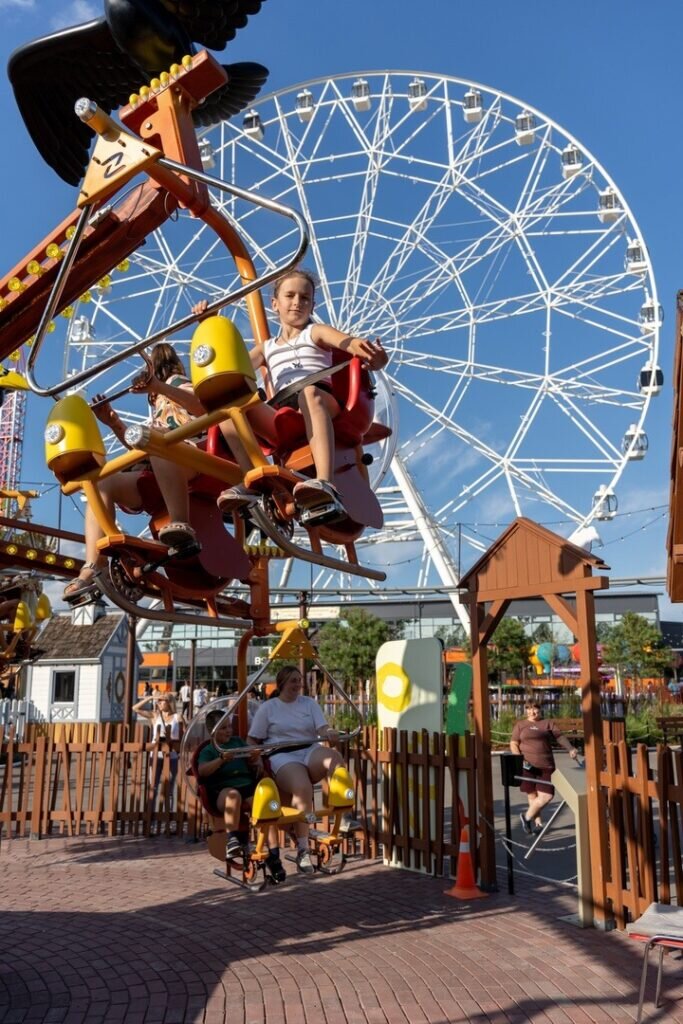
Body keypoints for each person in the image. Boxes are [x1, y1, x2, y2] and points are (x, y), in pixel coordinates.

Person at [199, 269, 388, 517]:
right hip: (282, 412)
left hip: (320, 398)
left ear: (312, 305)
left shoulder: (316, 332)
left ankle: (324, 481)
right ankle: (252, 478)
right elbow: (230, 367)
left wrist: (375, 357)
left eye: (305, 298)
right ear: (275, 304)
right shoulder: (266, 348)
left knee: (309, 393)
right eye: (290, 296)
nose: (297, 302)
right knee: (226, 404)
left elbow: (350, 343)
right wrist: (209, 324)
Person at [63, 342, 206, 603]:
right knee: (101, 480)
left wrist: (161, 387)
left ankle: (181, 524)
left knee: (157, 440)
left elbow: (202, 407)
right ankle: (95, 563)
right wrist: (114, 423)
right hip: (159, 467)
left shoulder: (179, 384)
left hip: (194, 459)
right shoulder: (158, 410)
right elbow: (139, 443)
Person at [247, 664, 357, 874]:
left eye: (299, 680)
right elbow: (253, 737)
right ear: (282, 684)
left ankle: (344, 816)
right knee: (303, 787)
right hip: (282, 754)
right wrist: (255, 756)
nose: (298, 685)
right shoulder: (268, 708)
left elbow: (322, 728)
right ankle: (303, 849)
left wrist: (330, 732)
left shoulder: (309, 704)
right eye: (293, 681)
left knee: (335, 758)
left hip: (308, 748)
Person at [198, 707, 286, 882]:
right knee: (233, 796)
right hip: (222, 790)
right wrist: (221, 760)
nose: (228, 731)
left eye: (229, 726)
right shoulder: (209, 749)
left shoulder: (238, 742)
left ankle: (274, 854)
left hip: (247, 786)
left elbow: (254, 757)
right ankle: (233, 840)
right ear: (212, 731)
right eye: (223, 728)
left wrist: (255, 759)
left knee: (267, 809)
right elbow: (202, 771)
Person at [510, 699, 579, 835]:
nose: (532, 711)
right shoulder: (521, 725)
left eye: (535, 708)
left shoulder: (547, 723)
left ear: (540, 709)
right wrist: (519, 759)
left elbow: (560, 737)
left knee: (546, 796)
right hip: (527, 765)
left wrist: (570, 748)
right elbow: (513, 743)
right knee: (532, 795)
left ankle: (526, 817)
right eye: (529, 708)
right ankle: (538, 824)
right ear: (526, 710)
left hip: (546, 765)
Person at [133, 691, 183, 812]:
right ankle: (151, 817)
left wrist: (176, 745)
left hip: (172, 756)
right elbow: (135, 708)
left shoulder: (178, 717)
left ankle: (168, 816)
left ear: (170, 702)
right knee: (153, 787)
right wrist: (150, 697)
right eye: (158, 701)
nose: (159, 702)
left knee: (169, 788)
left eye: (162, 700)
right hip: (155, 756)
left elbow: (183, 736)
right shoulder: (155, 716)